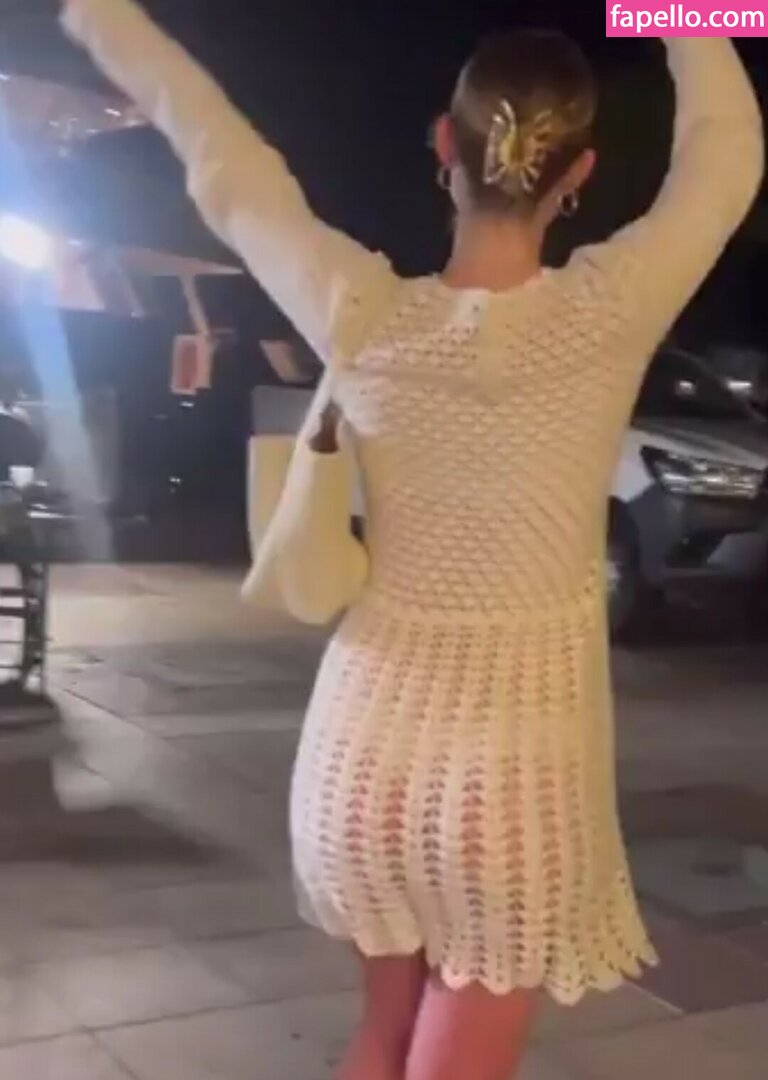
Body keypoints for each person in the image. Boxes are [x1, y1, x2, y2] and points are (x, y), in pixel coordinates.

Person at [60, 3, 763, 1077]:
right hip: (516, 777)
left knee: (382, 1042)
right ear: (578, 173)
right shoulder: (609, 311)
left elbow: (219, 156)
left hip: (363, 756)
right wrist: (676, 13)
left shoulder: (361, 309)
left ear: (445, 143)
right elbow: (725, 151)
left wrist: (98, 14)